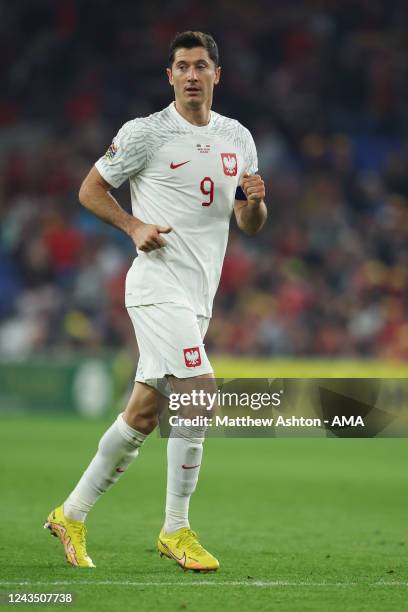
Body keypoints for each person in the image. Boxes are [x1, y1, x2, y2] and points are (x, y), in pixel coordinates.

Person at [44, 30, 267, 573]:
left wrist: (256, 204)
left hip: (197, 297)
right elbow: (90, 189)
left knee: (143, 414)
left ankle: (70, 514)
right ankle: (176, 528)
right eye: (182, 66)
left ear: (218, 75)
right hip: (154, 286)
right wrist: (133, 224)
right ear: (170, 77)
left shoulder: (237, 139)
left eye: (201, 66)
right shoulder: (145, 133)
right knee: (200, 392)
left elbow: (248, 223)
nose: (192, 74)